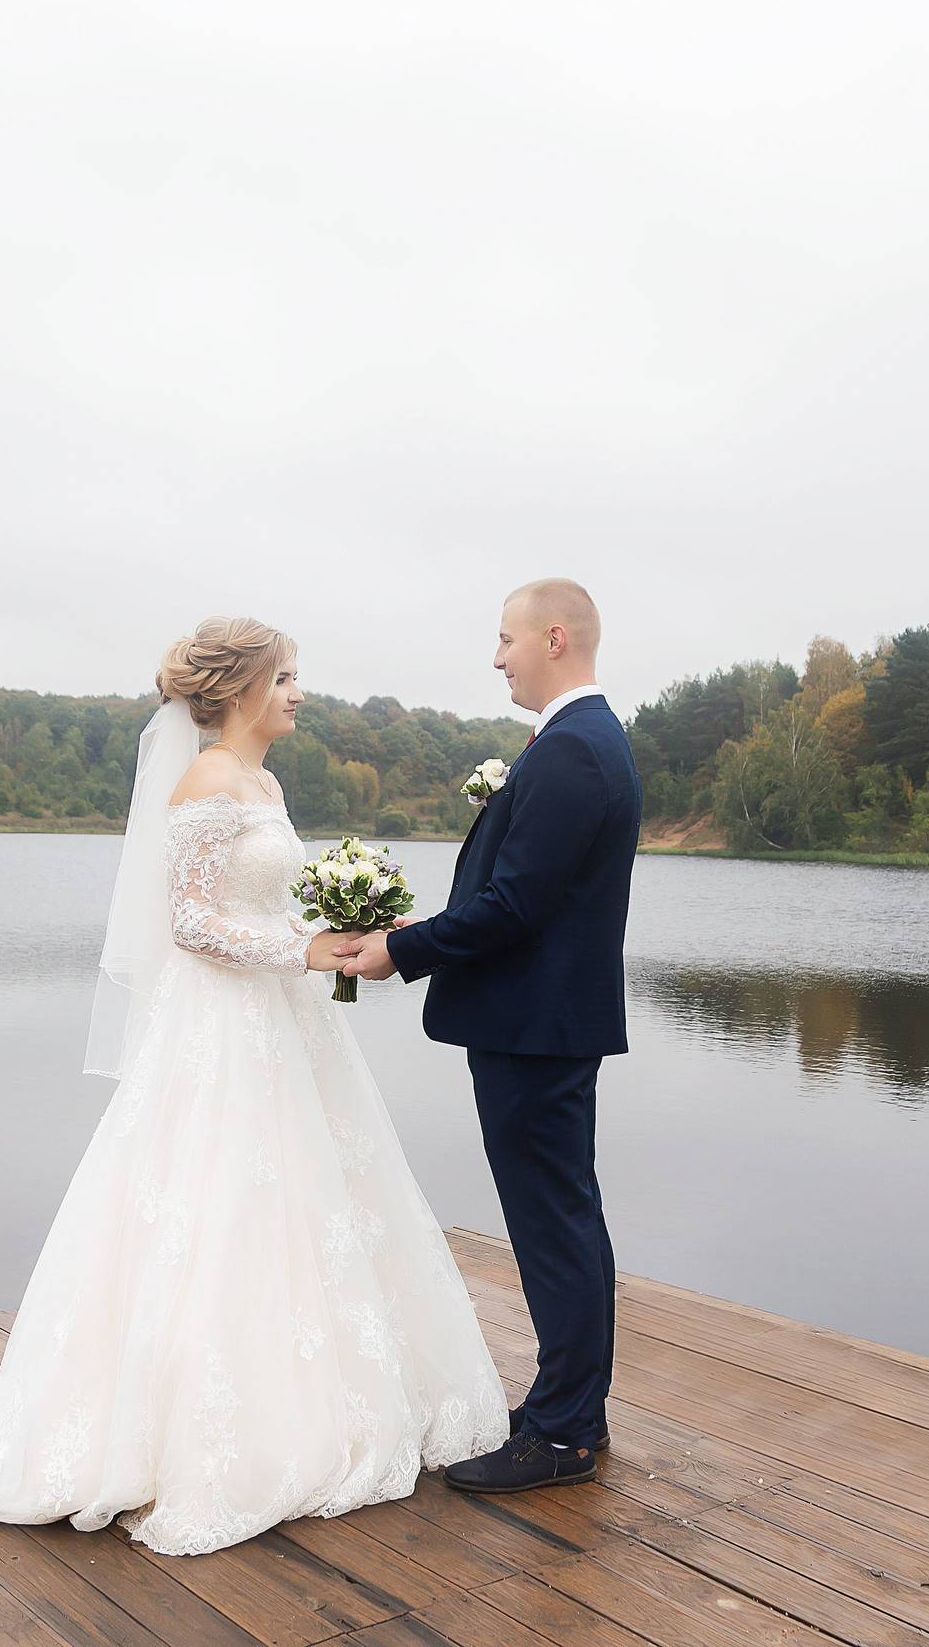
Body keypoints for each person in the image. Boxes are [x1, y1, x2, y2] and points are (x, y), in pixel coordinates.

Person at [0, 616, 506, 1555]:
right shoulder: (208, 780)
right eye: (286, 676)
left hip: (290, 1022)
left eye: (298, 674)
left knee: (313, 1200)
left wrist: (352, 920)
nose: (299, 690)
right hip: (222, 1025)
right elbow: (192, 926)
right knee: (218, 1202)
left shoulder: (265, 782)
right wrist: (303, 947)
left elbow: (259, 901)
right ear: (239, 690)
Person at [337, 578, 640, 1494]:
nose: (497, 656)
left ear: (555, 637)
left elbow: (515, 904)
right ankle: (569, 1408)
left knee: (554, 1222)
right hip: (542, 1023)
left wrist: (398, 948)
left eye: (505, 639)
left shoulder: (574, 753)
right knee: (563, 1215)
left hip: (535, 1027)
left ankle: (563, 1434)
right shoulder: (579, 743)